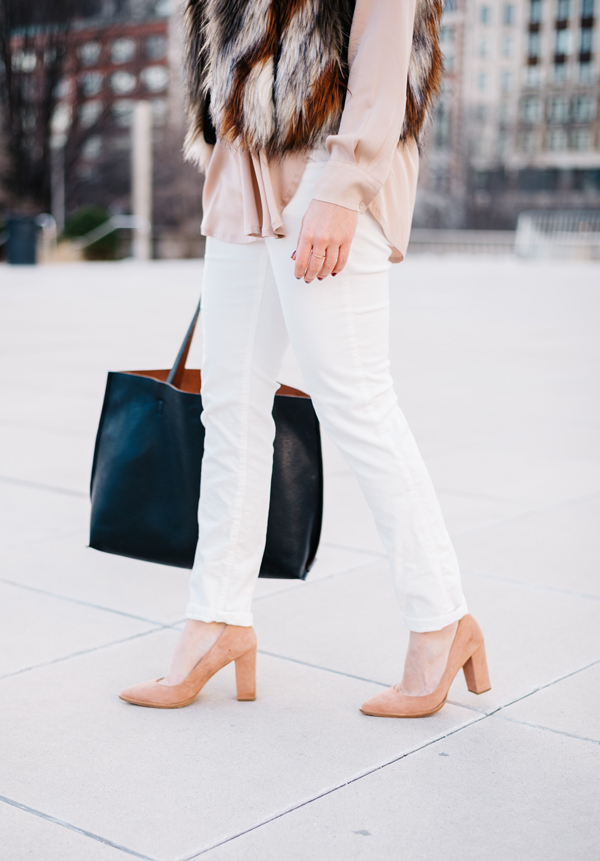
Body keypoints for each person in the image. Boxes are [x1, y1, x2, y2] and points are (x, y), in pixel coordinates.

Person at [119, 0, 491, 717]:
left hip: (327, 165)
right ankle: (216, 618)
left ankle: (441, 619)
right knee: (228, 405)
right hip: (241, 168)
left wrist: (344, 190)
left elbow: (384, 59)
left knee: (354, 397)